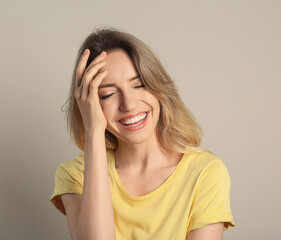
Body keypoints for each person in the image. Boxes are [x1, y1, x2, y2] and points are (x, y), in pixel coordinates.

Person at [50, 27, 235, 240]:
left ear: (158, 87)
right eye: (108, 94)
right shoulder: (75, 175)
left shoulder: (205, 173)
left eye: (139, 85)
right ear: (88, 104)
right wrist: (93, 131)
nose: (129, 105)